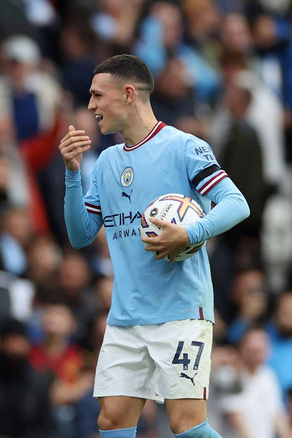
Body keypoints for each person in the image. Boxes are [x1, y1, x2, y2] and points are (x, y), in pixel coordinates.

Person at [58, 54, 249, 437]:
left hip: (180, 311)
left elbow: (236, 204)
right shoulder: (108, 160)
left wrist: (191, 234)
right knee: (111, 420)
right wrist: (72, 174)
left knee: (186, 426)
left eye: (98, 95)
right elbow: (80, 235)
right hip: (125, 316)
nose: (91, 105)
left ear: (128, 94)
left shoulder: (184, 147)